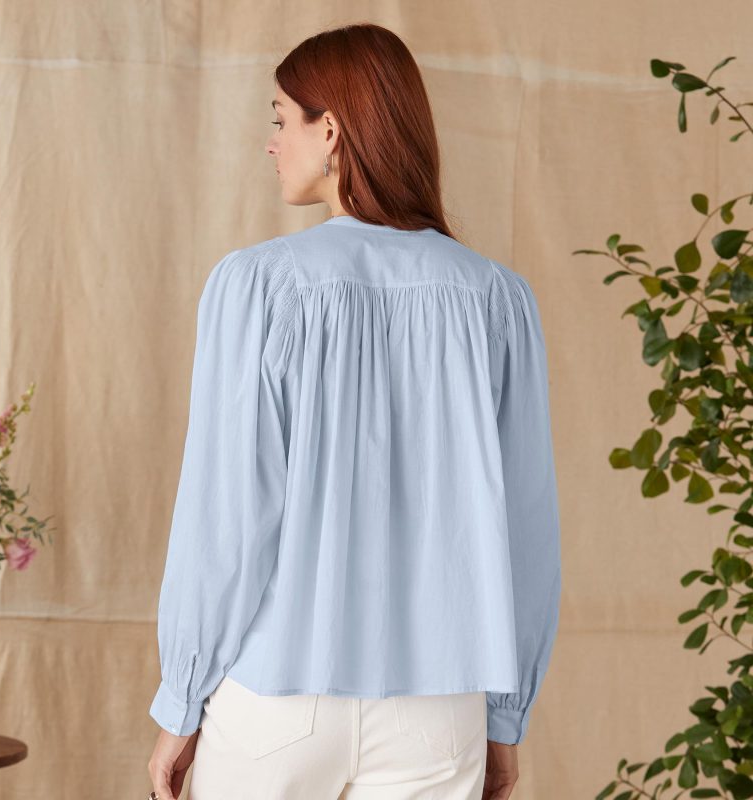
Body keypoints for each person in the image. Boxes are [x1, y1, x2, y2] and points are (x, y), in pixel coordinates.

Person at [147, 21, 561, 800]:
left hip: (277, 696)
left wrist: (183, 698)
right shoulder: (497, 300)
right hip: (442, 705)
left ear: (330, 130)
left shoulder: (258, 286)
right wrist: (504, 717)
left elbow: (228, 517)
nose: (271, 142)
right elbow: (526, 532)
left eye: (280, 119)